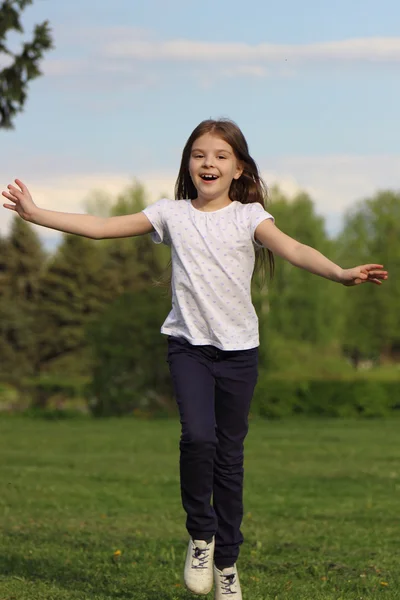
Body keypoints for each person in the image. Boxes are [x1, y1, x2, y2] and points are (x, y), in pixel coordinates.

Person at [2, 118, 388, 599]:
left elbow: (293, 249)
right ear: (189, 163)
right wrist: (38, 215)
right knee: (198, 438)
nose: (209, 163)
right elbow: (102, 227)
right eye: (200, 154)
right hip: (188, 346)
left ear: (238, 168)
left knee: (229, 459)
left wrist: (339, 272)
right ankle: (200, 535)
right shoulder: (172, 214)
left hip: (239, 352)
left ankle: (227, 563)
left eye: (221, 156)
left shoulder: (250, 217)